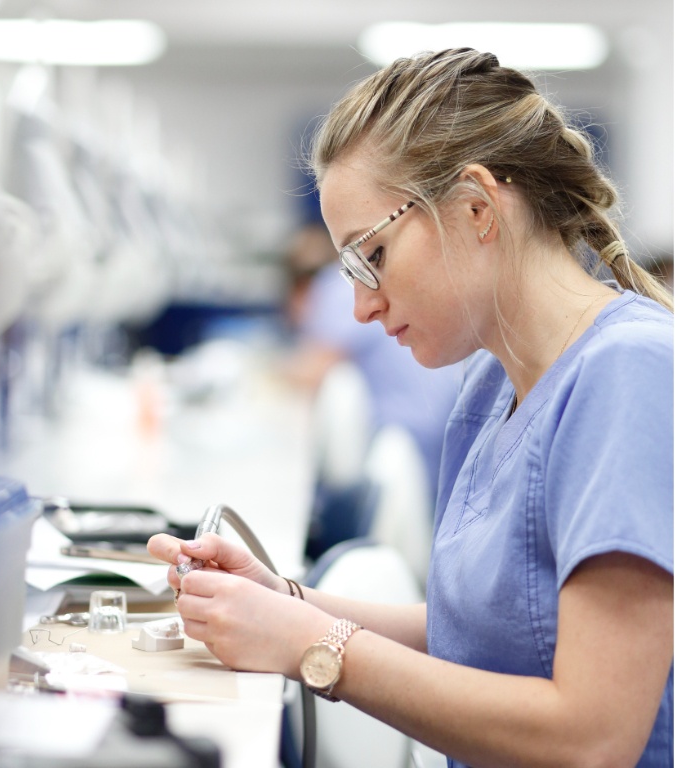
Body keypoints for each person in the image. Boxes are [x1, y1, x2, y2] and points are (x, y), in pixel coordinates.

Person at [148, 48, 673, 768]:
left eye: (373, 257)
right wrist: (287, 600)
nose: (360, 308)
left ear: (476, 208)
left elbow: (591, 738)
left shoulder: (630, 373)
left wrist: (311, 645)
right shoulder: (491, 385)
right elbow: (483, 639)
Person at [280, 221, 460, 509]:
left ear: (298, 291)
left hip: (408, 447)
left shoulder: (334, 287)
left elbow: (311, 373)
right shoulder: (359, 284)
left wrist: (260, 375)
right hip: (441, 437)